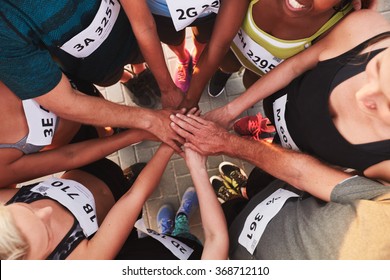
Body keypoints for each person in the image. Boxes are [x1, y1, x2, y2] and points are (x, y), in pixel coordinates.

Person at [201, 8, 390, 184]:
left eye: (388, 105)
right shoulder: (366, 29)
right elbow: (295, 66)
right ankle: (266, 128)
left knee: (257, 184)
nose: (363, 95)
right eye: (378, 67)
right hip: (277, 106)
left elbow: (321, 180)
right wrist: (229, 111)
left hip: (287, 169)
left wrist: (231, 145)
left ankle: (244, 189)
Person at [169, 113, 390, 259]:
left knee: (230, 212)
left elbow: (216, 240)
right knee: (254, 187)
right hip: (281, 190)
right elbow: (303, 174)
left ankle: (235, 197)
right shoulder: (384, 219)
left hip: (235, 239)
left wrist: (199, 163)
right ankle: (244, 190)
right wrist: (225, 142)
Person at [0, 0, 185, 152]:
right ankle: (128, 79)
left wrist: (167, 88)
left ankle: (140, 71)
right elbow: (63, 100)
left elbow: (143, 25)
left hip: (129, 32)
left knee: (138, 54)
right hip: (92, 66)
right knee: (111, 76)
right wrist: (151, 121)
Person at [176, 0, 376, 109]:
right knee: (224, 65)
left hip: (263, 74)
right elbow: (219, 44)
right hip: (230, 52)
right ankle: (222, 75)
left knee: (251, 85)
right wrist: (190, 100)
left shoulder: (337, 26)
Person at [0, 80, 159, 189]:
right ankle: (114, 133)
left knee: (106, 121)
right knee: (104, 134)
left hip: (79, 87)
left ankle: (114, 129)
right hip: (77, 137)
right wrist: (138, 133)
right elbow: (69, 156)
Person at [146, 0, 218, 92]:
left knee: (204, 38)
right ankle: (183, 60)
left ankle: (197, 58)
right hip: (162, 9)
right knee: (173, 40)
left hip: (209, 7)